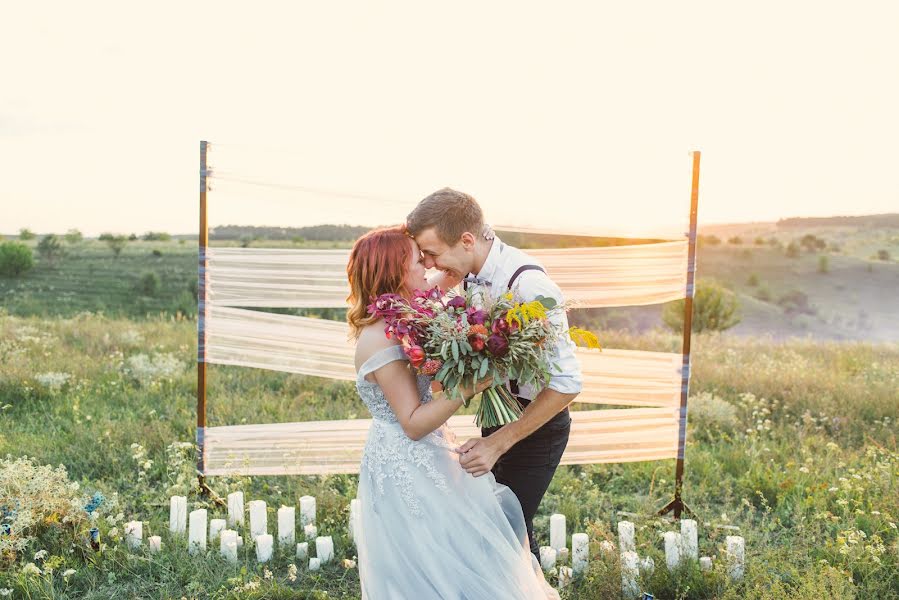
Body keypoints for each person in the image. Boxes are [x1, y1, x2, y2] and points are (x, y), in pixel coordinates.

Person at [347, 225, 560, 599]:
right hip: (406, 459)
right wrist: (471, 384)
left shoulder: (406, 316)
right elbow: (412, 423)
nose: (425, 270)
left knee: (454, 548)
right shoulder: (381, 337)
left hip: (429, 449)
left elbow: (442, 283)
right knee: (430, 558)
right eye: (417, 261)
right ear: (396, 273)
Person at [406, 188, 583, 559]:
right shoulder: (468, 271)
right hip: (496, 417)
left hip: (536, 428)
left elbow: (568, 384)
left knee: (502, 532)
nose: (432, 265)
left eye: (433, 254)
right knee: (510, 533)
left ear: (467, 240)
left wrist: (498, 442)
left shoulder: (528, 286)